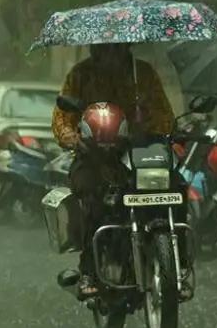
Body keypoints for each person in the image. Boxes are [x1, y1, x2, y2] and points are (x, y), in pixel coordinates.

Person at [52, 43, 175, 297]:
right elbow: (62, 118)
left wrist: (160, 131)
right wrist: (72, 137)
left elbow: (163, 113)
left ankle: (177, 259)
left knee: (175, 185)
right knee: (90, 195)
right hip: (93, 154)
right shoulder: (80, 74)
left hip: (138, 151)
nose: (109, 52)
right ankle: (88, 270)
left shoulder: (143, 73)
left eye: (115, 47)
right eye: (103, 47)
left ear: (126, 46)